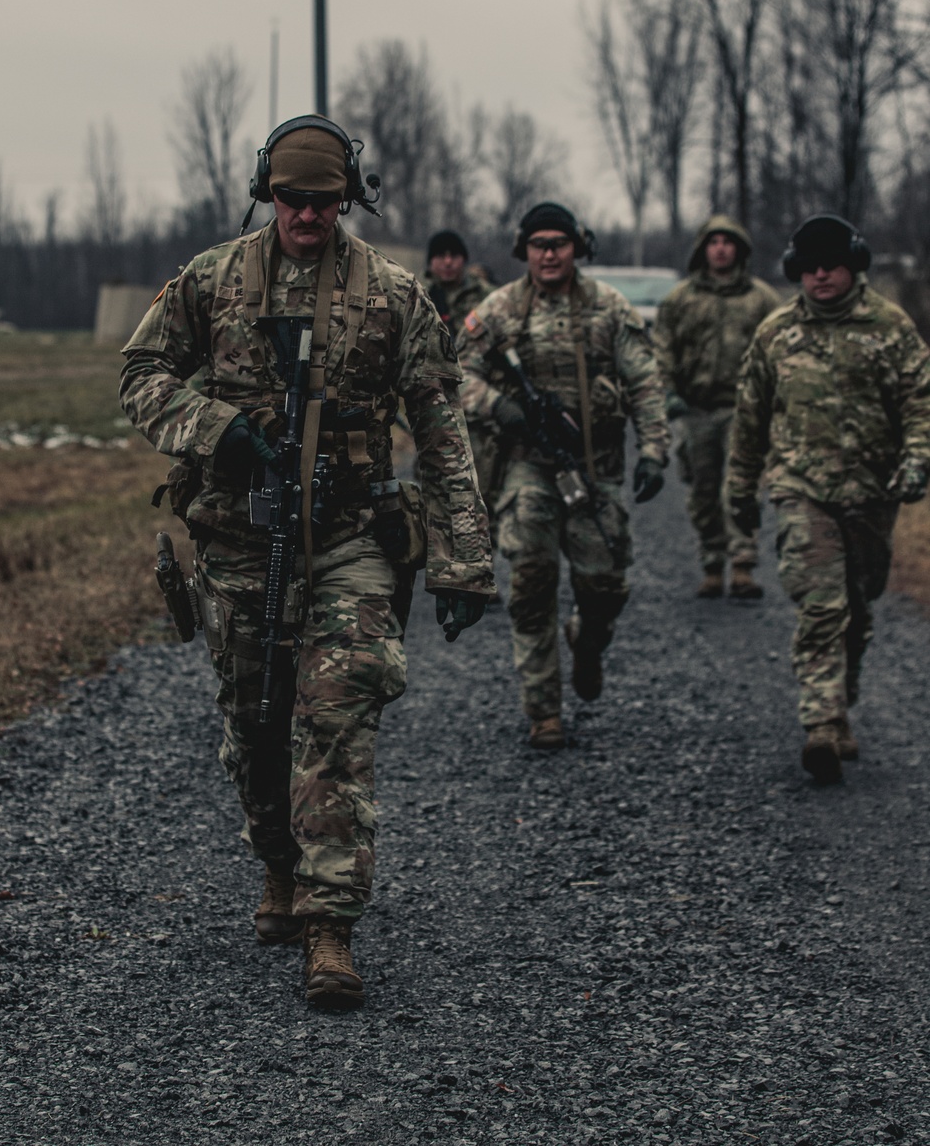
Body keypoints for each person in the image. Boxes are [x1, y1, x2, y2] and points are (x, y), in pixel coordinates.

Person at [120, 115, 494, 1009]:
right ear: (266, 193)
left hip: (353, 537)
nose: (308, 216)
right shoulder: (212, 281)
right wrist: (218, 428)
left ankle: (332, 924)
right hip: (240, 538)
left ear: (347, 201)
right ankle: (279, 867)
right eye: (292, 199)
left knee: (336, 717)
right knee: (256, 725)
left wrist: (463, 557)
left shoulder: (395, 295)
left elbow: (441, 428)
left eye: (325, 202)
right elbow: (139, 376)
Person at [725, 214, 930, 783]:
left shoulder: (890, 329)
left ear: (853, 265)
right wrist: (739, 490)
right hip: (800, 490)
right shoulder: (776, 334)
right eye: (809, 267)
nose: (820, 276)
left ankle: (842, 704)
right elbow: (749, 420)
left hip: (872, 493)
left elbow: (920, 404)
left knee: (858, 610)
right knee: (822, 606)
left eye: (831, 265)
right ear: (796, 270)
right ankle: (819, 724)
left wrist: (918, 459)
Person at [457, 202, 669, 750]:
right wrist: (500, 407)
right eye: (538, 244)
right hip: (527, 465)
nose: (549, 253)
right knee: (530, 581)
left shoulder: (609, 309)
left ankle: (589, 641)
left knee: (604, 585)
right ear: (524, 251)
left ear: (578, 247)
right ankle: (543, 710)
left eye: (559, 242)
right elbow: (455, 374)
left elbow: (645, 382)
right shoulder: (500, 309)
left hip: (595, 468)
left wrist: (653, 452)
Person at [653, 215, 780, 599]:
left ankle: (742, 564)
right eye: (714, 242)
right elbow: (662, 350)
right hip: (695, 409)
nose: (721, 248)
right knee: (702, 491)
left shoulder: (761, 299)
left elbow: (780, 351)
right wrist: (668, 393)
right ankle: (712, 561)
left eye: (728, 241)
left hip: (744, 410)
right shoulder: (681, 299)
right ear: (702, 249)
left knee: (739, 489)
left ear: (739, 249)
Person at [424, 229, 501, 538]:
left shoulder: (487, 297)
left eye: (453, 256)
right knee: (439, 489)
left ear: (464, 260)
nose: (447, 263)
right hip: (437, 408)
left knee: (482, 487)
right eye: (440, 257)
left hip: (480, 409)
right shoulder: (422, 298)